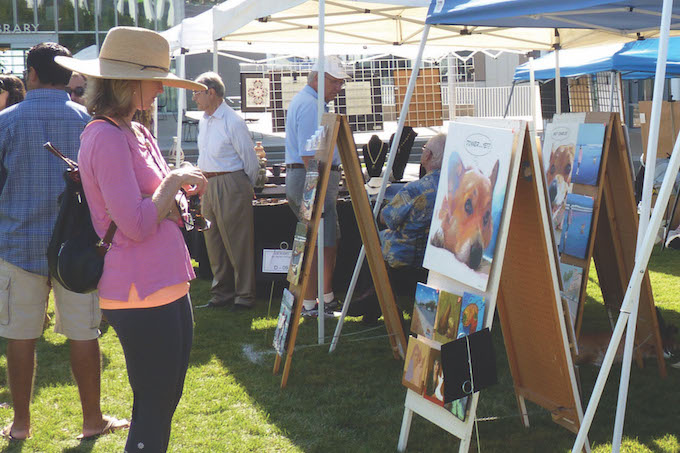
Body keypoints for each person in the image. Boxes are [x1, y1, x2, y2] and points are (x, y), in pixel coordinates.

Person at [55, 27, 208, 452]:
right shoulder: (103, 136)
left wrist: (175, 189)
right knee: (155, 406)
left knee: (163, 401)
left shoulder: (135, 130)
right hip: (140, 288)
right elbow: (137, 224)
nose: (162, 88)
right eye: (156, 79)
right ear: (127, 82)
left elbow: (156, 201)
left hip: (166, 282)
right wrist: (175, 180)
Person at [0, 43, 128, 441]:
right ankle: (92, 419)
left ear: (31, 74)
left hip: (17, 243)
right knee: (83, 333)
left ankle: (21, 424)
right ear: (69, 74)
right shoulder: (90, 122)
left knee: (20, 335)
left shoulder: (5, 122)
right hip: (76, 248)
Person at [351, 133, 446, 324]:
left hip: (406, 254)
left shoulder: (415, 189)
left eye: (424, 149)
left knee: (372, 241)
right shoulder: (454, 188)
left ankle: (368, 301)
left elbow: (387, 218)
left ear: (427, 156)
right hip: (437, 254)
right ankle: (369, 300)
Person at [285, 56, 350, 317]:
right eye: (335, 82)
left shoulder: (309, 102)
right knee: (319, 239)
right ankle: (316, 301)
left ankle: (316, 299)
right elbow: (310, 155)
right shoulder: (311, 105)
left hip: (310, 177)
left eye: (341, 83)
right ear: (319, 78)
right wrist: (320, 186)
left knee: (318, 238)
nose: (338, 88)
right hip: (312, 178)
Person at [192, 72, 259, 310]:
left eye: (197, 92)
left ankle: (244, 295)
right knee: (214, 241)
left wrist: (243, 186)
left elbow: (250, 160)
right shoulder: (204, 119)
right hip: (209, 183)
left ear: (212, 93)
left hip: (231, 181)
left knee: (237, 242)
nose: (194, 97)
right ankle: (222, 292)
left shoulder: (232, 121)